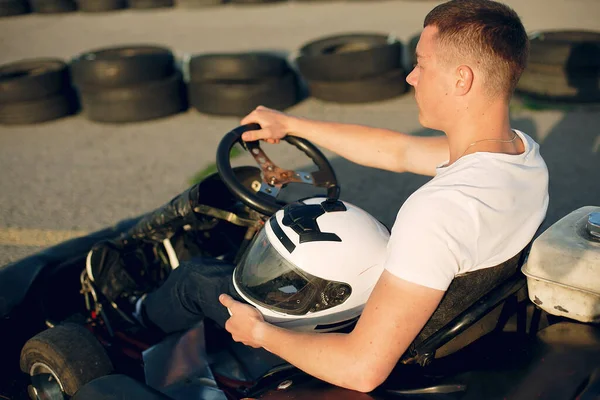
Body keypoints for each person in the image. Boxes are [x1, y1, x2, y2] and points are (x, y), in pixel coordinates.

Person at [87, 0, 549, 393]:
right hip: (446, 325)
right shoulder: (521, 156)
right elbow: (399, 150)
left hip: (381, 351)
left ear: (462, 79)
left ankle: (130, 319)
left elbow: (362, 368)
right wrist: (291, 125)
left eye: (422, 65)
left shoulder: (438, 211)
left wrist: (261, 333)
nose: (411, 77)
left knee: (195, 279)